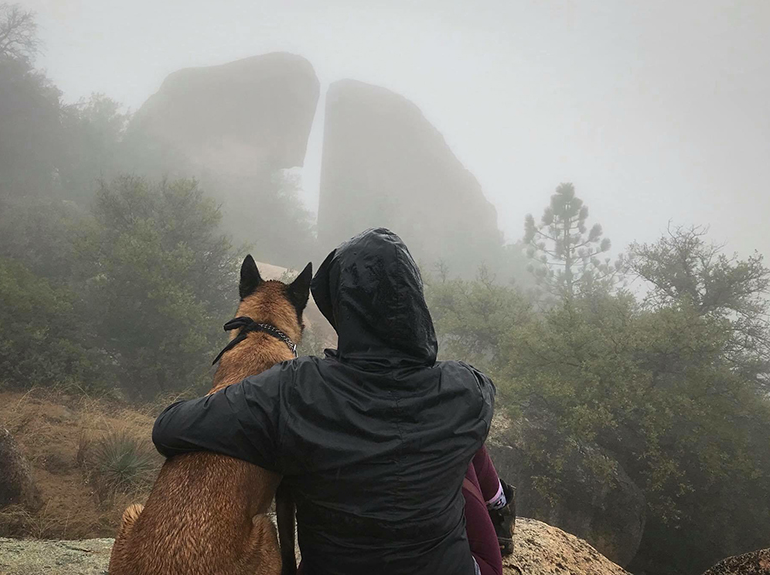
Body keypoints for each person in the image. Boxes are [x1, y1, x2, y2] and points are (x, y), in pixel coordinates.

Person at [153, 228, 514, 575]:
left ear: (342, 308)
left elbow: (168, 429)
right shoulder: (467, 387)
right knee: (460, 436)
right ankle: (501, 506)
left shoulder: (296, 388)